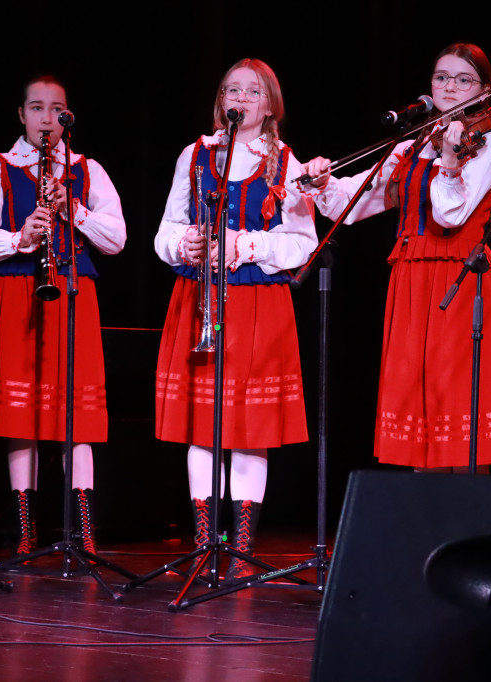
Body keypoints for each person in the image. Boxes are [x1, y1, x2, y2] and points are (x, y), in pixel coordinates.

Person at [301, 44, 491, 473]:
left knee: (458, 416)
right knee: (419, 416)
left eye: (463, 79)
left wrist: (450, 161)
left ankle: (471, 530)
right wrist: (322, 181)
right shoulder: (413, 146)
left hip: (457, 283)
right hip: (411, 285)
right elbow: (353, 202)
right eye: (441, 78)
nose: (449, 87)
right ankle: (428, 534)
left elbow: (450, 212)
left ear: (486, 90)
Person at [153, 58, 316, 580]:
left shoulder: (285, 163)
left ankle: (240, 548)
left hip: (257, 302)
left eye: (251, 91)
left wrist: (242, 244)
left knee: (250, 428)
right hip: (199, 296)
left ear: (270, 103)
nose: (239, 99)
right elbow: (164, 234)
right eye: (231, 90)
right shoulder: (195, 155)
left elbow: (302, 244)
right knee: (204, 424)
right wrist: (187, 241)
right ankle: (204, 544)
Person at [0, 75, 126, 557]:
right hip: (16, 295)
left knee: (76, 414)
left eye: (57, 110)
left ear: (67, 117)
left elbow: (116, 238)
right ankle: (25, 530)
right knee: (22, 413)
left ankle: (81, 531)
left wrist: (71, 208)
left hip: (73, 294)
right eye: (36, 108)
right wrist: (21, 238)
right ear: (21, 115)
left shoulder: (86, 170)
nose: (47, 119)